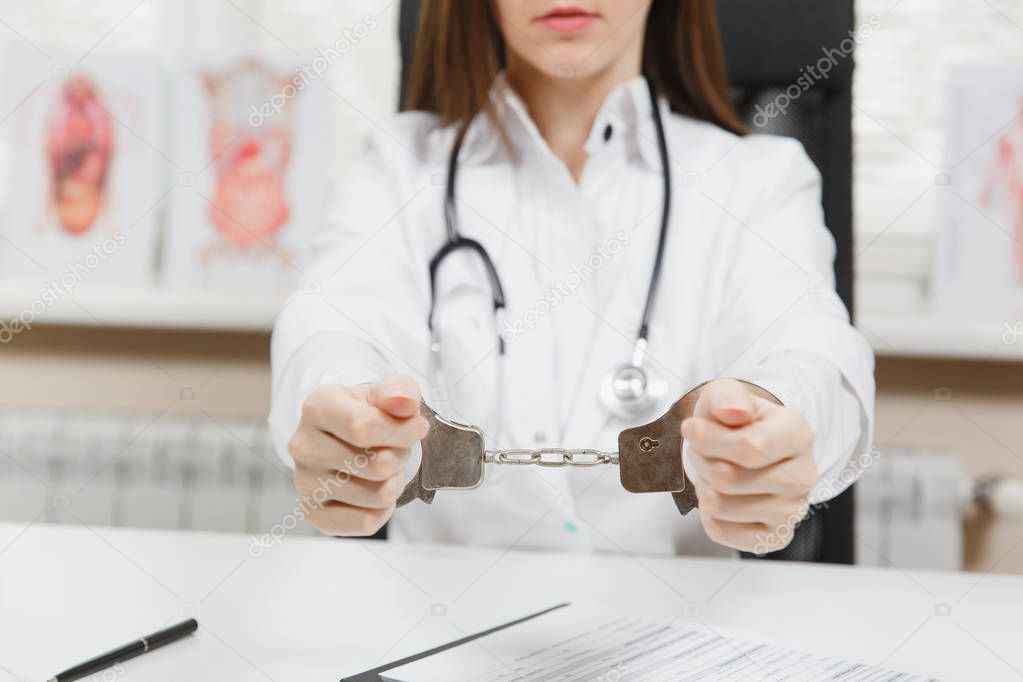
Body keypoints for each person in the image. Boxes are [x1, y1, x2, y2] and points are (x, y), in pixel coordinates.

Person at [269, 0, 875, 557]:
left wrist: (772, 421)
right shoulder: (399, 167)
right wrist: (345, 416)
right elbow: (328, 326)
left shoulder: (756, 179)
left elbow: (812, 352)